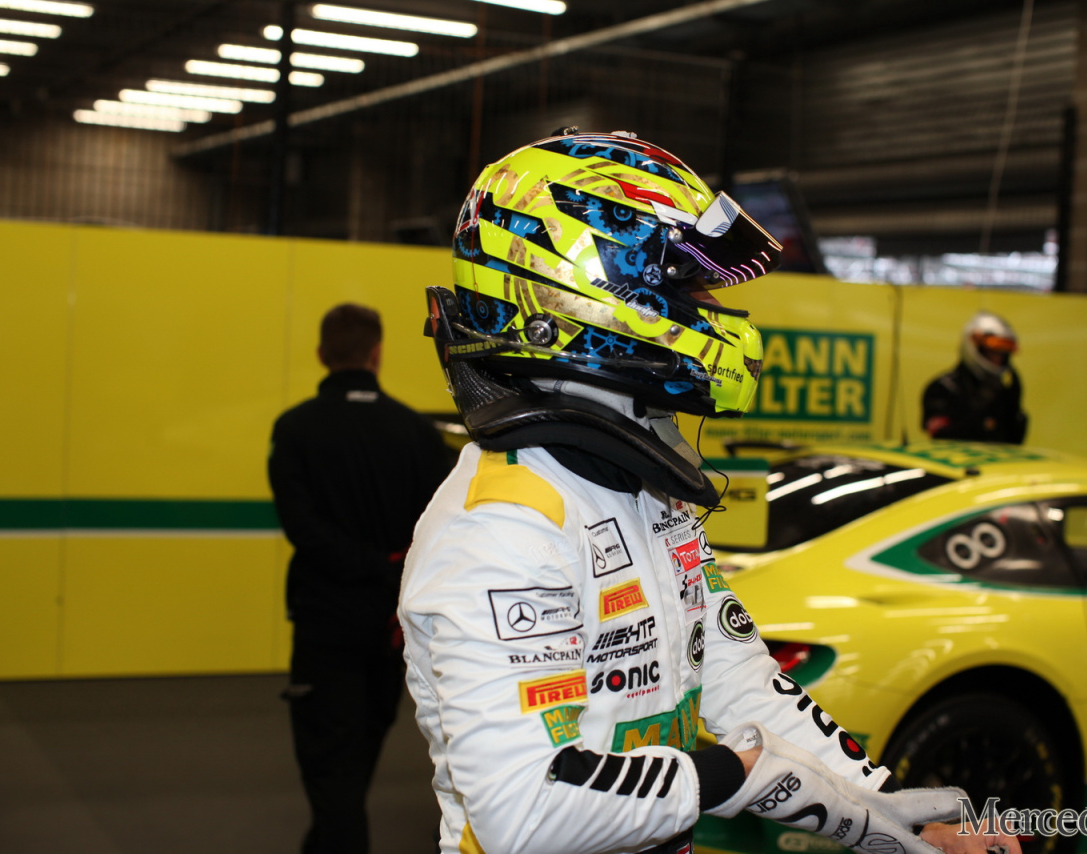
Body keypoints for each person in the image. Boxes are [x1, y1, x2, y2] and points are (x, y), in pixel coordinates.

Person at [400, 130, 1018, 854]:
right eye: (686, 288)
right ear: (579, 289)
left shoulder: (649, 488)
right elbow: (526, 812)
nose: (706, 310)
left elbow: (738, 679)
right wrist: (736, 775)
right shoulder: (502, 527)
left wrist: (897, 812)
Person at [268, 303, 451, 854]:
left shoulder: (295, 429)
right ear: (377, 353)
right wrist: (392, 569)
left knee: (330, 758)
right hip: (392, 624)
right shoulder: (417, 433)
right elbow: (438, 525)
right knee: (363, 741)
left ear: (322, 354)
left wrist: (370, 565)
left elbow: (303, 529)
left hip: (326, 619)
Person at [922, 311, 1028, 443]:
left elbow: (1013, 440)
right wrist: (980, 414)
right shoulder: (943, 388)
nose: (997, 360)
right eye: (992, 352)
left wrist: (1015, 409)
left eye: (1002, 354)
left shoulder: (1003, 391)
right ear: (974, 347)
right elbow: (942, 436)